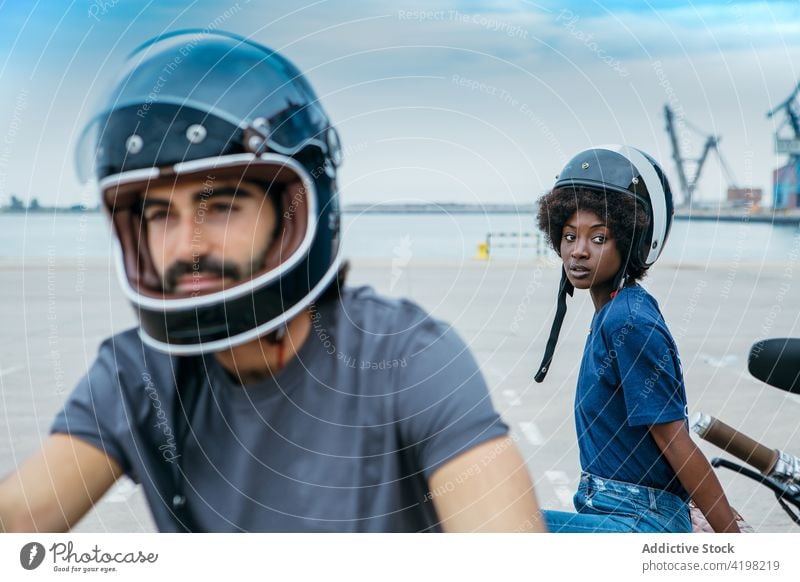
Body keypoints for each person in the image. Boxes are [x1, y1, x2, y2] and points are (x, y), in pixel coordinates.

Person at [0, 30, 543, 533]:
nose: (188, 246)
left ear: (294, 211)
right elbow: (22, 517)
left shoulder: (402, 355)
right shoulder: (135, 374)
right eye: (160, 214)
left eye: (222, 206)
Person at [533, 145, 739, 533]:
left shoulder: (628, 321)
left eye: (598, 238)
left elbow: (676, 442)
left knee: (481, 525)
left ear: (629, 241)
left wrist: (737, 550)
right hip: (611, 510)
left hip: (639, 521)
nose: (577, 250)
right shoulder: (612, 313)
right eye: (568, 235)